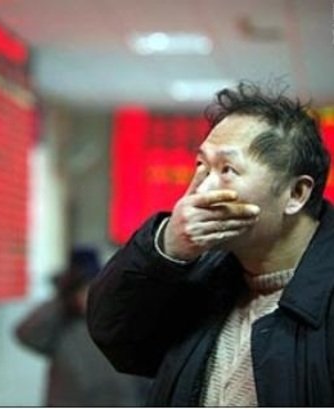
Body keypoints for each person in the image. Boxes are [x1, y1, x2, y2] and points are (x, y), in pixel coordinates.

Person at [86, 82, 333, 406]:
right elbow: (118, 339)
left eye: (227, 170)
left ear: (296, 194)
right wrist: (167, 248)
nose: (202, 190)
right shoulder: (205, 276)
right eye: (201, 166)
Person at [16, 248, 152, 406]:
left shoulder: (117, 318)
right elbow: (26, 334)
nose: (87, 295)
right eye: (82, 289)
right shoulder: (61, 322)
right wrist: (62, 300)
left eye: (92, 287)